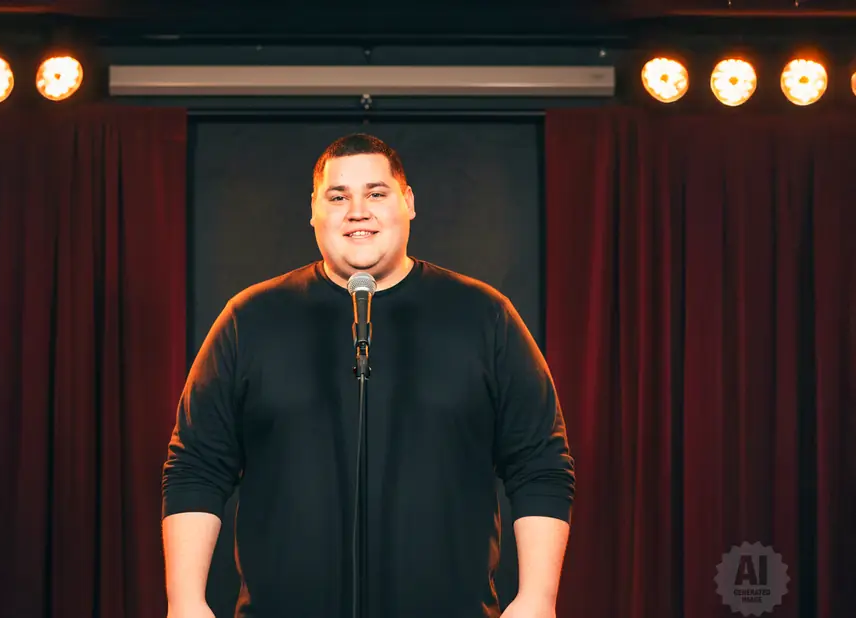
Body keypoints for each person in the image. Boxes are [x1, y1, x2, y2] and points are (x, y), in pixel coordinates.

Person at [162, 133, 575, 618]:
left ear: (409, 203)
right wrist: (185, 603)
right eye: (338, 197)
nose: (358, 210)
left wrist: (538, 599)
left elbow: (540, 463)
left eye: (376, 193)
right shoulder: (249, 319)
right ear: (314, 211)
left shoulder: (486, 316)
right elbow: (196, 466)